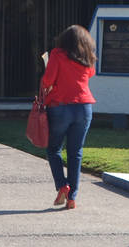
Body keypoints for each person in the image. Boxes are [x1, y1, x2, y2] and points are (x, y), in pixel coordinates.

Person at [40, 24, 97, 209]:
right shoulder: (87, 56)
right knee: (76, 152)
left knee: (54, 149)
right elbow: (90, 74)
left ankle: (62, 185)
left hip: (60, 106)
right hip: (84, 107)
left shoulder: (57, 54)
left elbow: (48, 80)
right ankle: (72, 197)